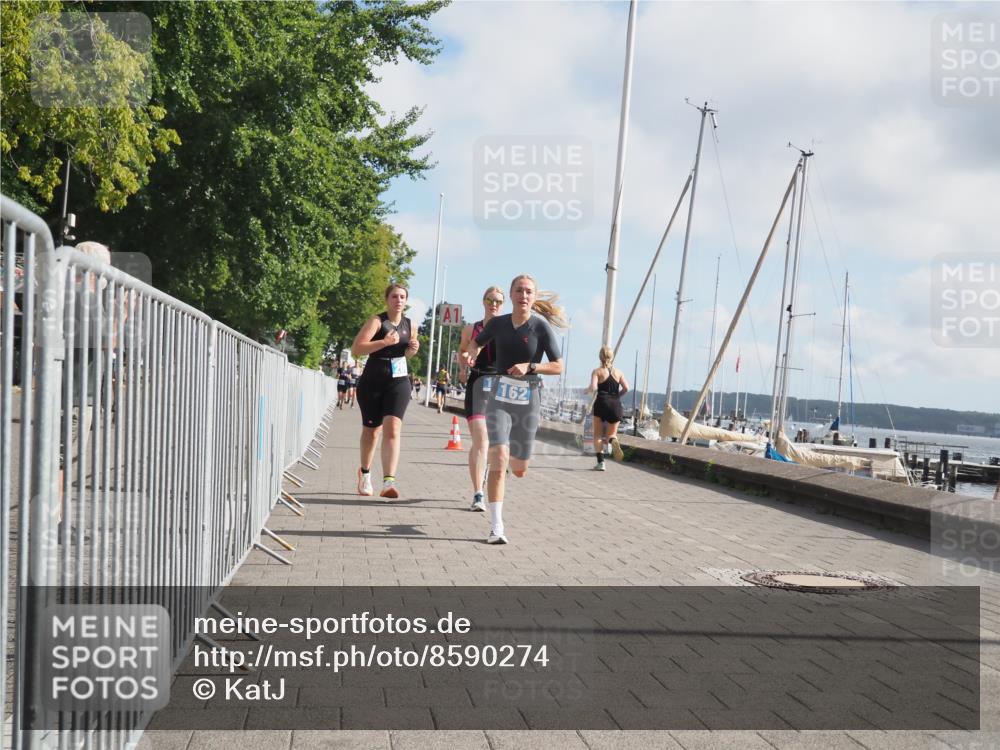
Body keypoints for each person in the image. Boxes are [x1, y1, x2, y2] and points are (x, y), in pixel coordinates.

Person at [464, 274, 566, 544]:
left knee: (519, 469)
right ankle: (496, 527)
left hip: (528, 400)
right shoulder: (497, 324)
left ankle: (508, 465)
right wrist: (472, 351)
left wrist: (531, 366)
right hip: (499, 396)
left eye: (528, 291)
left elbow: (558, 366)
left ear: (534, 297)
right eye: (519, 290)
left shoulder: (540, 327)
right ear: (510, 295)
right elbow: (477, 341)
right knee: (498, 457)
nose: (523, 295)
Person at [352, 283, 419, 498]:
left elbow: (407, 354)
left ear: (406, 301)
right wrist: (383, 342)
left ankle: (388, 482)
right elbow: (357, 349)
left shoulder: (411, 324)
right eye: (394, 296)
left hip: (398, 381)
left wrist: (412, 351)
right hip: (373, 380)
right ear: (387, 299)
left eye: (402, 297)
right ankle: (365, 474)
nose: (398, 300)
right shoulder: (377, 321)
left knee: (393, 429)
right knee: (372, 432)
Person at [458, 285, 504, 512]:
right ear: (483, 301)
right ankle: (478, 494)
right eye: (490, 300)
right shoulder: (471, 329)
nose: (493, 304)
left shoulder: (507, 329)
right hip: (476, 384)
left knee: (491, 444)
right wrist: (463, 365)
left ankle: (484, 472)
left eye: (498, 301)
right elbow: (462, 351)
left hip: (500, 387)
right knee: (481, 440)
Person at [588, 346, 629, 471]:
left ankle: (601, 463)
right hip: (615, 404)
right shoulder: (619, 372)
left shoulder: (597, 371)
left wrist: (588, 389)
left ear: (600, 357)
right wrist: (617, 396)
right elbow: (626, 388)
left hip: (601, 403)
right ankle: (613, 441)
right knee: (611, 434)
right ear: (612, 357)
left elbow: (594, 387)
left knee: (597, 435)